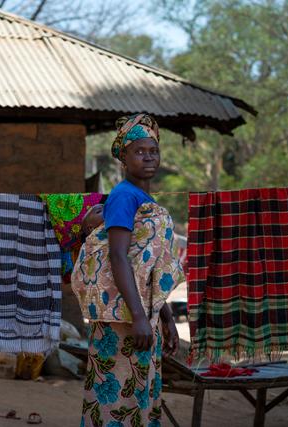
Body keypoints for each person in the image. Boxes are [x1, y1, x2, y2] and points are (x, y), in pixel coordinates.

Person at [72, 113, 183, 427]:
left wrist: (166, 318)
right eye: (139, 151)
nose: (148, 156)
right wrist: (137, 317)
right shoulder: (123, 196)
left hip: (141, 314)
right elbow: (119, 257)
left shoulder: (142, 197)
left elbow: (148, 265)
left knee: (137, 397)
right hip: (123, 318)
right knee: (117, 399)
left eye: (153, 150)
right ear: (123, 157)